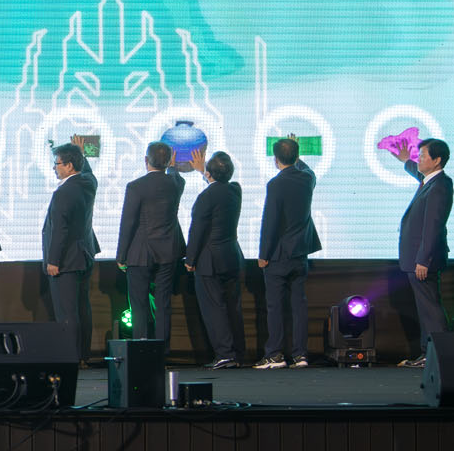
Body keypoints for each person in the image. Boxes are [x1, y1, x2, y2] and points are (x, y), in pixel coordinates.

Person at [255, 137, 322, 370]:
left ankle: (275, 354)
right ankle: (300, 355)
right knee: (298, 305)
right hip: (300, 253)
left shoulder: (276, 184)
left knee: (275, 306)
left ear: (276, 159)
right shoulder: (307, 178)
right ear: (296, 157)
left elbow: (270, 221)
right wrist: (298, 157)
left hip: (279, 255)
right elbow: (307, 169)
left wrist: (263, 254)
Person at [115, 141, 186, 349]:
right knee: (163, 303)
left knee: (139, 306)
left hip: (140, 253)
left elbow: (128, 222)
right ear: (169, 161)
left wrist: (121, 255)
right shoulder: (176, 184)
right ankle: (162, 351)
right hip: (168, 252)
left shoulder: (136, 186)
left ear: (146, 160)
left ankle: (142, 349)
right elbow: (175, 175)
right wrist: (172, 167)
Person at [393, 138, 453, 368]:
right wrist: (406, 161)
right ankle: (428, 353)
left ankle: (439, 356)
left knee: (430, 308)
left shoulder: (439, 187)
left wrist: (423, 259)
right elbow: (418, 173)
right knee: (425, 308)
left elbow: (433, 226)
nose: (418, 160)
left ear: (437, 160)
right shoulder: (430, 181)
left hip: (423, 261)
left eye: (422, 156)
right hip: (417, 259)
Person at [185, 151, 245, 370]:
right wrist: (205, 171)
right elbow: (219, 187)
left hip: (209, 260)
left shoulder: (206, 197)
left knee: (214, 309)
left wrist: (190, 259)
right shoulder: (235, 190)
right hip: (231, 257)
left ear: (210, 174)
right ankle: (237, 353)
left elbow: (197, 231)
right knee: (232, 307)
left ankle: (225, 354)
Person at [42, 142, 100, 363]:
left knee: (67, 312)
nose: (54, 168)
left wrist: (53, 260)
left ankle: (71, 357)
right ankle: (83, 355)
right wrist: (82, 154)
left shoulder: (64, 192)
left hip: (66, 260)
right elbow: (88, 172)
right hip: (84, 255)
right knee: (82, 308)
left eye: (57, 163)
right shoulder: (88, 183)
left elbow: (60, 229)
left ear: (69, 165)